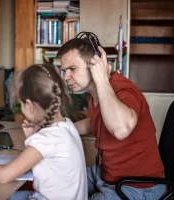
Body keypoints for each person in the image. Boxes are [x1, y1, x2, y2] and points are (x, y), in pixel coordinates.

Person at [56, 32, 166, 199]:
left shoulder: (123, 90)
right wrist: (58, 127)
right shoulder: (93, 93)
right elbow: (94, 121)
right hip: (109, 175)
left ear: (95, 64)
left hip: (139, 186)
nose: (66, 77)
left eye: (72, 69)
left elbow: (121, 129)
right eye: (65, 71)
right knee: (59, 178)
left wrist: (101, 80)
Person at [0, 64, 88, 200]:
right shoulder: (67, 125)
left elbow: (4, 176)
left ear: (30, 105)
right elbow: (50, 162)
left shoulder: (46, 139)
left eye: (21, 104)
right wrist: (33, 137)